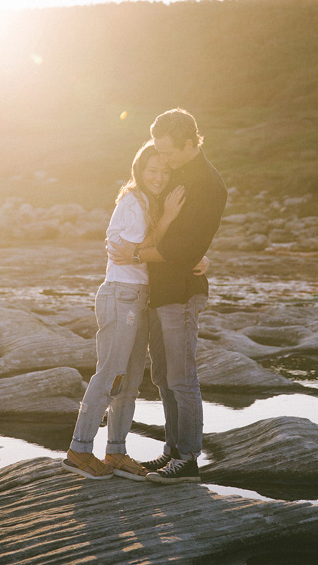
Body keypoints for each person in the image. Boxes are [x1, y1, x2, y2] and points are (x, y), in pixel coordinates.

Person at [111, 109, 227, 484]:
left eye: (169, 151)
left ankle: (189, 459)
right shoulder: (176, 171)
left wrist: (134, 255)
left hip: (182, 294)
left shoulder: (209, 185)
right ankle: (173, 450)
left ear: (192, 144)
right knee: (163, 376)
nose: (164, 159)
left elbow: (180, 251)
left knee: (182, 377)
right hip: (160, 292)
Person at [62, 141, 187, 481]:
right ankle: (79, 449)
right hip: (122, 295)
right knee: (111, 373)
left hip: (140, 296)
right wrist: (168, 220)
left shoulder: (149, 201)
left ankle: (116, 451)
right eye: (152, 171)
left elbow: (156, 250)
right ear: (139, 170)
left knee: (130, 380)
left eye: (164, 171)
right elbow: (137, 249)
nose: (159, 177)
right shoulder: (133, 201)